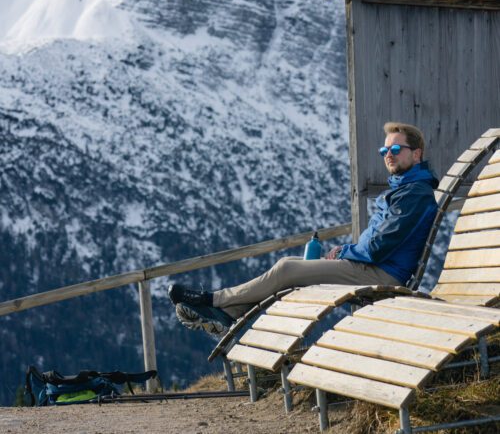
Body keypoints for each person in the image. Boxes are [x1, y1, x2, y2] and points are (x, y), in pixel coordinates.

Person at [168, 121, 439, 334]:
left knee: (288, 269)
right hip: (371, 268)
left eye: (395, 150)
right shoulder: (405, 188)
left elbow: (381, 246)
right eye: (384, 151)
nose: (388, 156)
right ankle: (229, 313)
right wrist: (350, 252)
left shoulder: (415, 193)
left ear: (416, 154)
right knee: (288, 262)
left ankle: (213, 300)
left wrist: (346, 250)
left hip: (382, 274)